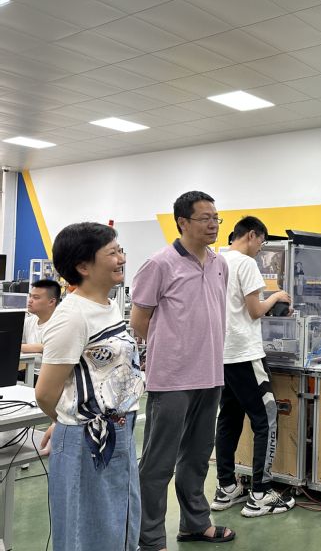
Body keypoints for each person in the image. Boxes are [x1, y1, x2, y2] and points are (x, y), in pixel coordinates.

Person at [130, 191, 232, 551]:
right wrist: (170, 350)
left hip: (211, 374)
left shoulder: (220, 264)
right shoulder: (159, 264)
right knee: (158, 462)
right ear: (183, 222)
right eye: (205, 218)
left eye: (216, 218)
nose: (213, 224)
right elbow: (139, 320)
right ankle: (149, 538)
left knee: (197, 457)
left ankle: (195, 523)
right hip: (172, 379)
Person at [35, 223, 144, 551]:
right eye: (112, 253)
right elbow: (45, 392)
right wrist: (65, 420)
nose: (121, 258)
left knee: (118, 526)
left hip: (120, 430)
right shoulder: (72, 316)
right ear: (83, 266)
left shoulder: (109, 306)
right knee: (87, 533)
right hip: (88, 439)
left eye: (120, 250)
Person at [213, 216, 296, 516]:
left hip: (222, 354)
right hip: (245, 354)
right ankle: (260, 493)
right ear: (251, 235)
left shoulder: (217, 260)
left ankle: (226, 487)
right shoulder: (246, 263)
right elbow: (254, 310)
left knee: (229, 418)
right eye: (261, 242)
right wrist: (277, 297)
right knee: (266, 418)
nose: (261, 248)